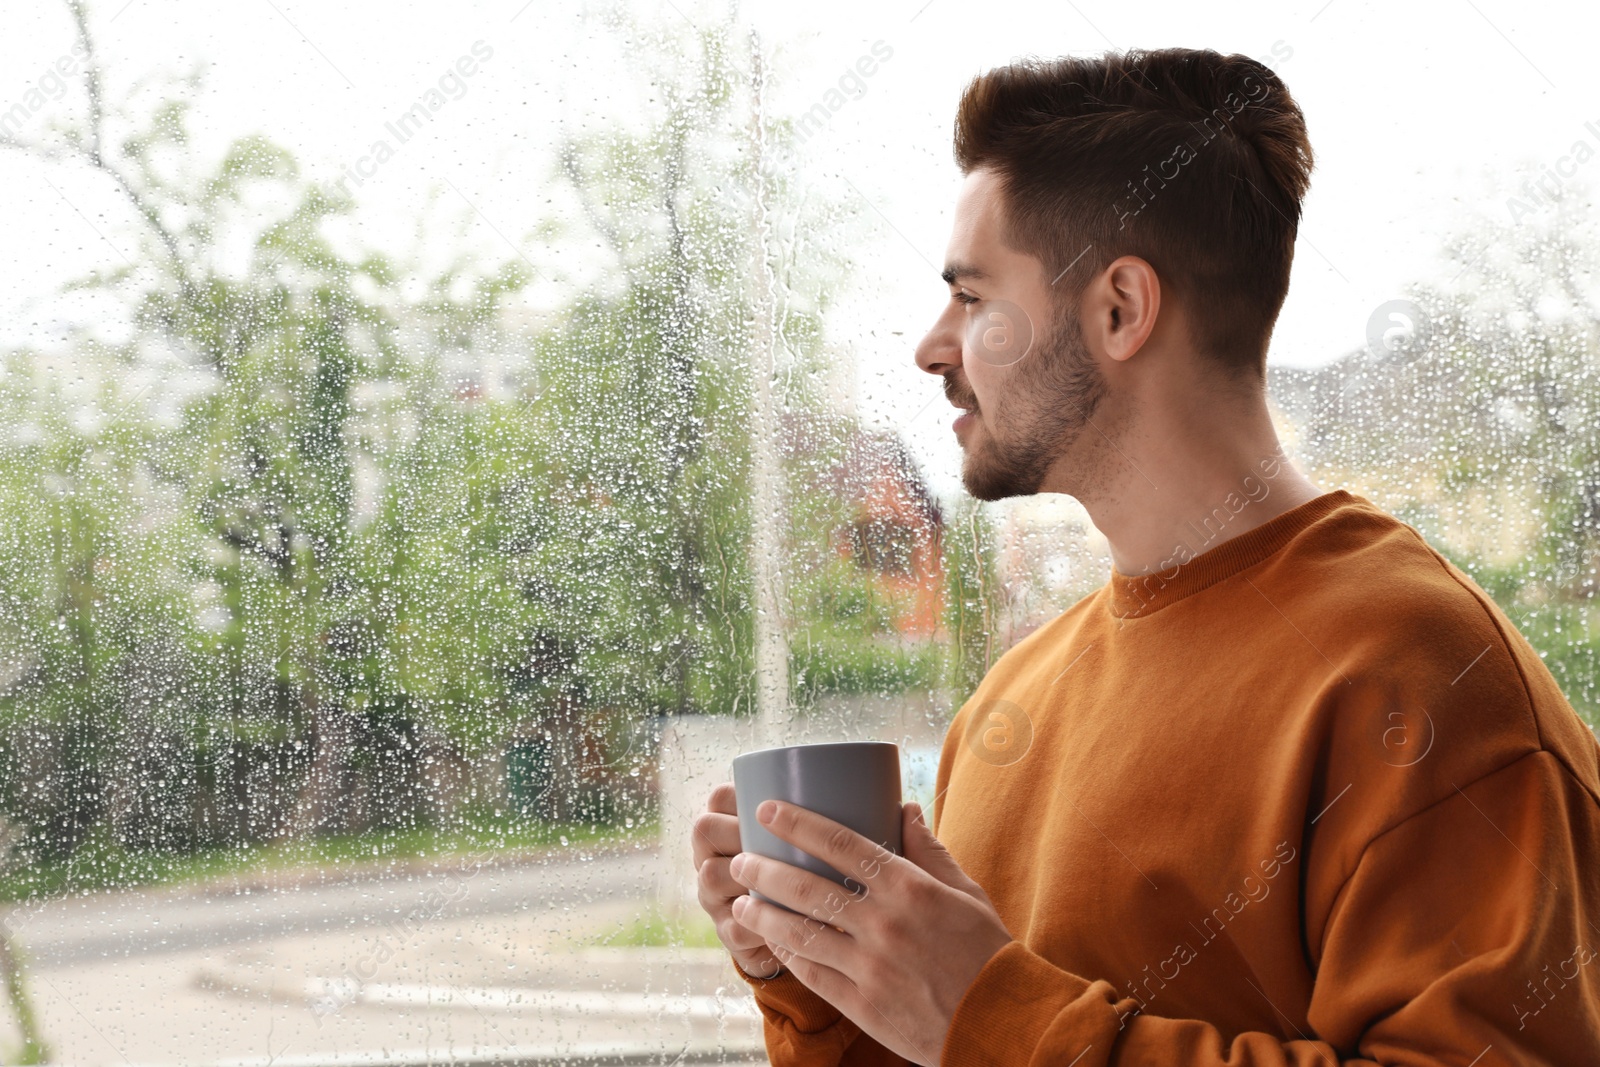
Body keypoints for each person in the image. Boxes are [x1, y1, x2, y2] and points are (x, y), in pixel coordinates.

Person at [691, 47, 1600, 1064]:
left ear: (1119, 308)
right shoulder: (1011, 698)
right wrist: (820, 980)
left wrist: (989, 1013)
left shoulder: (1421, 674)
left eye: (973, 296)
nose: (930, 345)